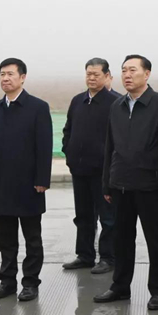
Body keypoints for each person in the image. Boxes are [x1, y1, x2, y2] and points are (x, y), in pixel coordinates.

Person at [94, 55, 158, 311]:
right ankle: (120, 286)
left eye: (133, 70)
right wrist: (107, 183)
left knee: (156, 240)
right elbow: (110, 147)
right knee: (121, 239)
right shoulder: (117, 106)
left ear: (147, 73)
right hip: (120, 184)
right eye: (124, 70)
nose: (127, 75)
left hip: (150, 186)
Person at [0, 58, 53, 302]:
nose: (5, 78)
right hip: (2, 184)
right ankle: (7, 281)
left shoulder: (38, 107)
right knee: (5, 239)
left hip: (29, 184)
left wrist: (42, 179)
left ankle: (30, 282)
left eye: (10, 74)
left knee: (32, 238)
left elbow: (45, 147)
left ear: (22, 77)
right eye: (2, 74)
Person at [61, 58, 118, 274]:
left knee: (108, 217)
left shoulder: (115, 102)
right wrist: (69, 153)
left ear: (107, 76)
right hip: (80, 169)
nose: (92, 78)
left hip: (103, 172)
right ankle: (84, 255)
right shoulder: (78, 101)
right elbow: (68, 129)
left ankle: (108, 257)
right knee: (83, 215)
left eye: (96, 74)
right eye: (88, 74)